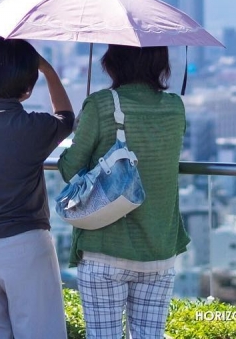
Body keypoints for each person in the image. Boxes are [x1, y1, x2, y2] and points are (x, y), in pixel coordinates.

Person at [57, 45, 189, 339]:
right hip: (159, 250)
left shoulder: (101, 104)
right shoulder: (175, 107)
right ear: (160, 63)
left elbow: (69, 169)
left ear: (113, 62)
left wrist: (81, 128)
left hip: (105, 249)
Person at [0, 37, 74, 339]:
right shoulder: (33, 128)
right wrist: (47, 69)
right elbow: (66, 118)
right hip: (26, 243)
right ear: (28, 87)